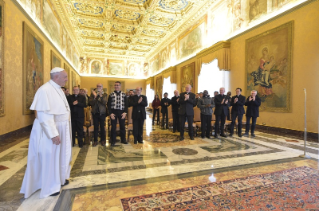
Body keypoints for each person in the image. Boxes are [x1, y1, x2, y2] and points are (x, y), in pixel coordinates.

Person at [20, 67, 71, 198]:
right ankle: (50, 187)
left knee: (61, 156)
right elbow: (43, 115)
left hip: (62, 126)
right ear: (56, 77)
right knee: (50, 156)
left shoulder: (58, 89)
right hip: (51, 129)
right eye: (65, 77)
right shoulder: (44, 90)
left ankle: (60, 179)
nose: (67, 79)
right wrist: (53, 134)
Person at [107, 81, 128, 146]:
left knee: (122, 126)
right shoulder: (111, 94)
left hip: (122, 112)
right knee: (113, 127)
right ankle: (113, 140)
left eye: (117, 85)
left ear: (120, 86)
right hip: (114, 112)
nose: (116, 86)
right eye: (115, 85)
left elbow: (126, 104)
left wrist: (125, 113)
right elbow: (108, 105)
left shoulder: (124, 95)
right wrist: (110, 113)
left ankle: (123, 139)